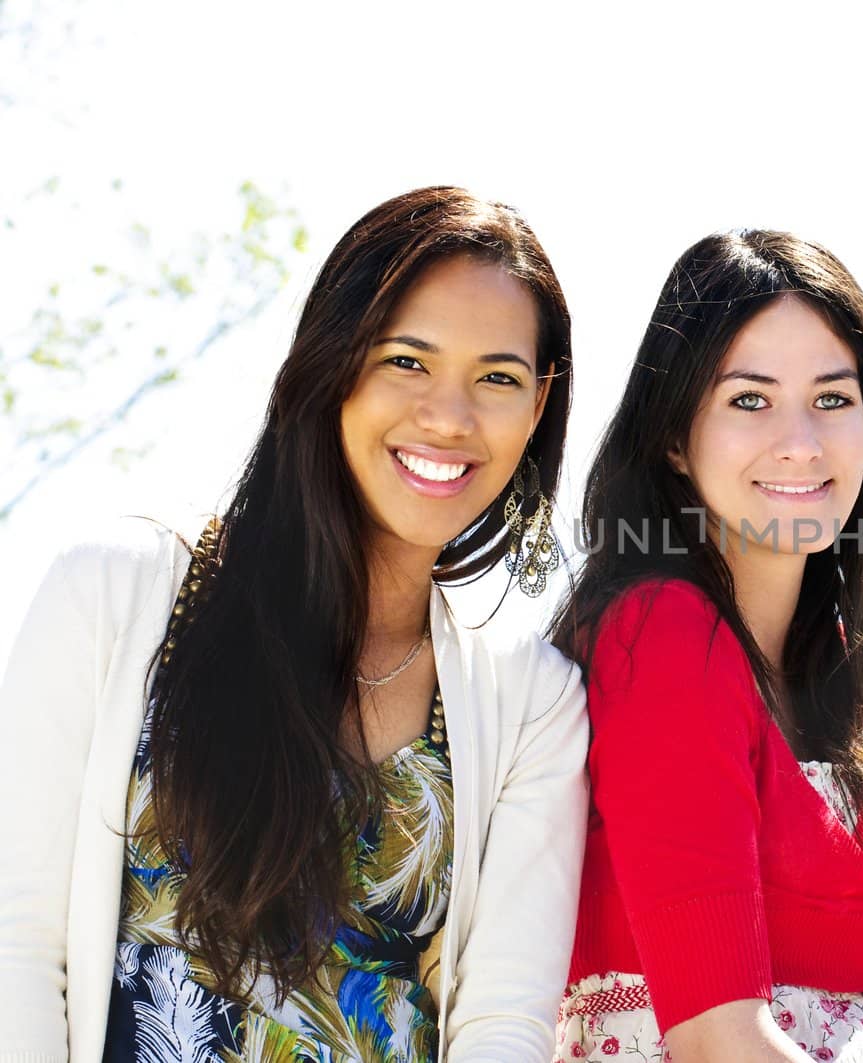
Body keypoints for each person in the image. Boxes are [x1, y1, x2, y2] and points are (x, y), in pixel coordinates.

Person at [0, 186, 589, 1060]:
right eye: (408, 361)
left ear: (537, 407)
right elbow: (18, 948)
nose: (450, 416)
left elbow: (503, 1026)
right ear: (334, 362)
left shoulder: (533, 703)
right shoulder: (111, 594)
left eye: (497, 378)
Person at [549, 229, 863, 1063]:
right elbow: (716, 1041)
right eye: (749, 400)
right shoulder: (658, 633)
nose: (800, 441)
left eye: (833, 399)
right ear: (671, 437)